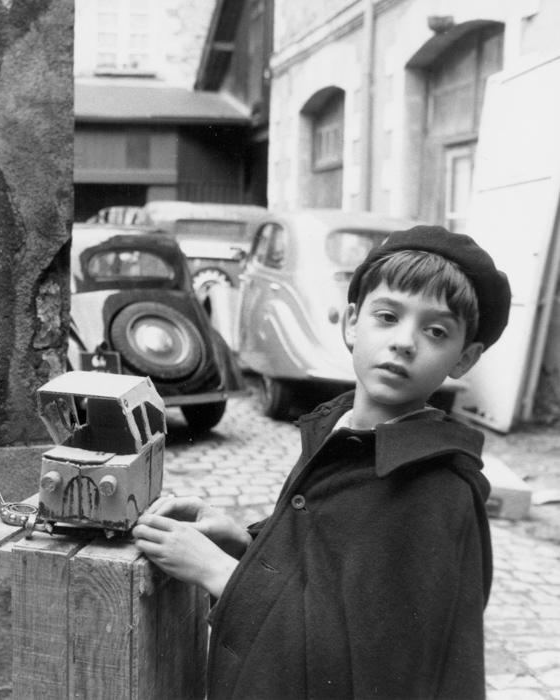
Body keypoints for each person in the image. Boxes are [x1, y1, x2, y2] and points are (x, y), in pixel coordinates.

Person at [132, 226, 510, 699]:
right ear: (352, 323)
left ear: (464, 358)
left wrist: (218, 572)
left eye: (436, 331)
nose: (404, 342)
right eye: (388, 316)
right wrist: (244, 543)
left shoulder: (435, 491)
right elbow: (325, 575)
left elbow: (368, 670)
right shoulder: (341, 433)